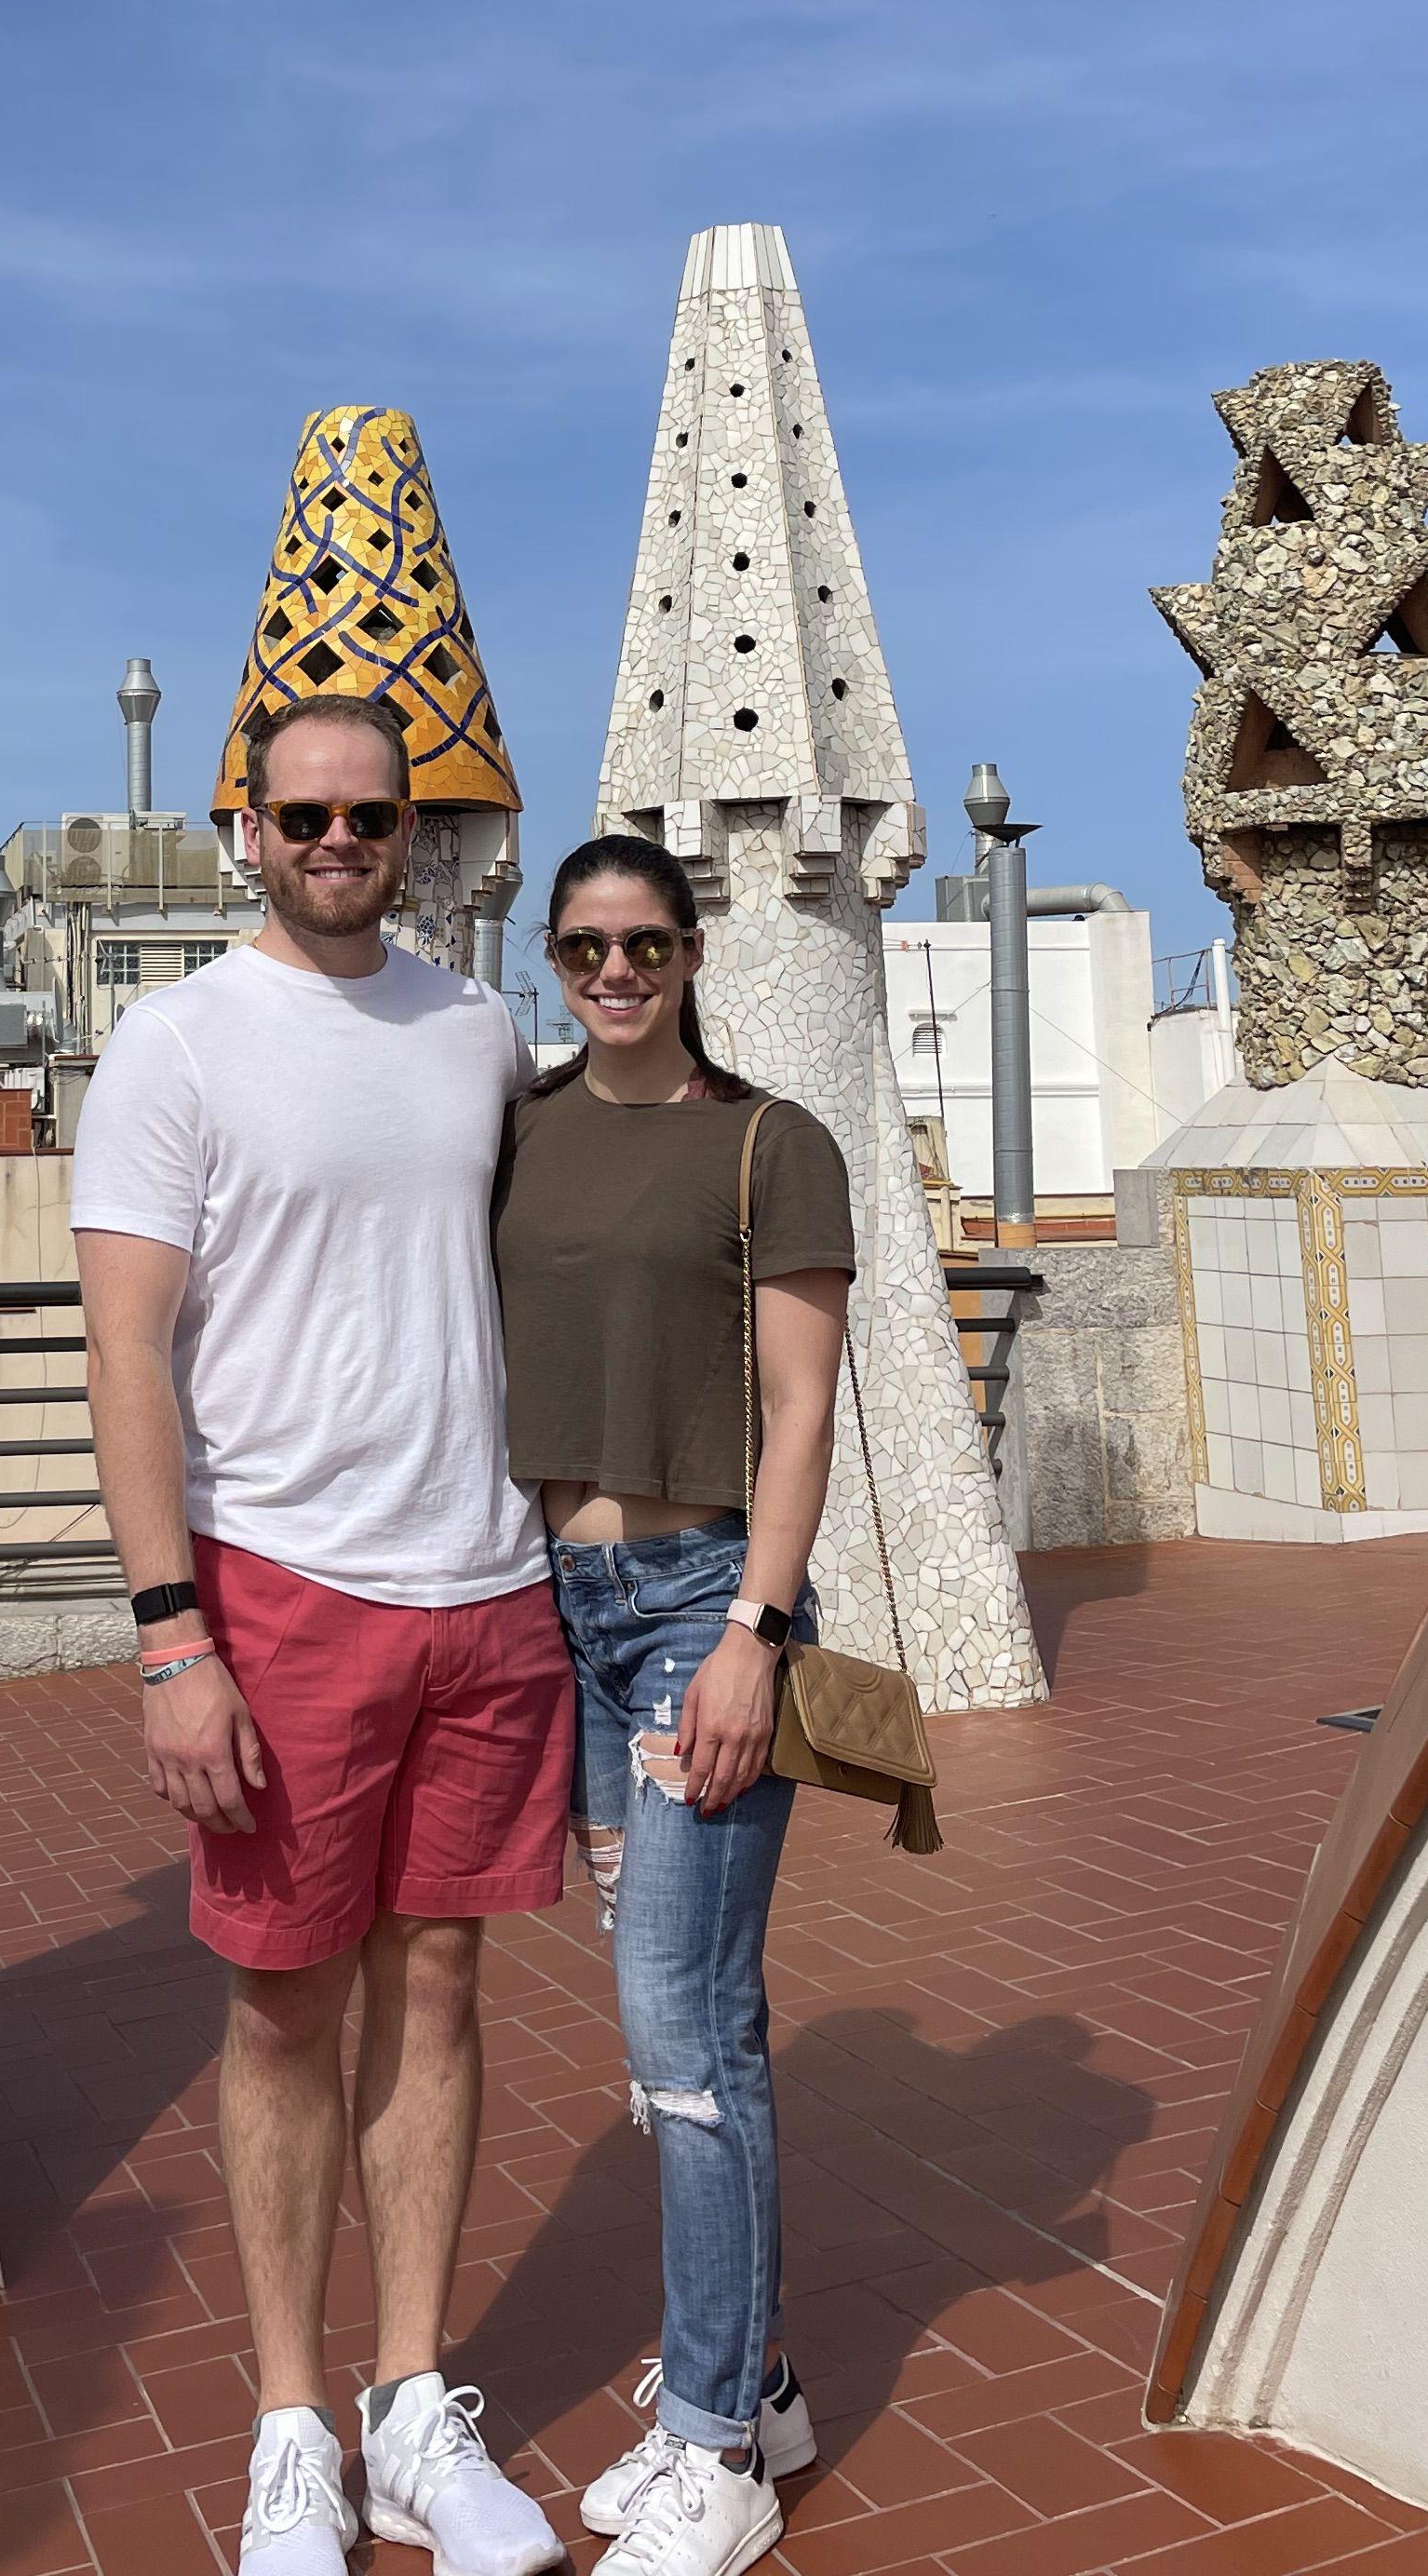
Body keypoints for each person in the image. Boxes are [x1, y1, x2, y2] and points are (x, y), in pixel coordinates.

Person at [72, 690, 569, 2576]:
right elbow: (126, 1349)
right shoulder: (176, 1043)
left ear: (413, 834)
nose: (341, 840)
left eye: (372, 814)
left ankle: (411, 2406)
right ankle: (292, 2420)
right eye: (306, 813)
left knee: (436, 1987)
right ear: (250, 828)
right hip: (276, 1589)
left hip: (482, 1581)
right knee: (285, 2002)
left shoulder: (475, 1030)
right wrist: (167, 1635)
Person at [488, 835, 853, 2576]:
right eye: (583, 946)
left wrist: (757, 1634)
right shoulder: (525, 1131)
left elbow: (799, 1410)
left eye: (642, 942)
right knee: (697, 2027)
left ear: (691, 950)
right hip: (567, 1606)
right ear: (550, 958)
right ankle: (761, 2379)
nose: (614, 970)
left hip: (705, 1606)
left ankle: (715, 2450)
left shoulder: (772, 1146)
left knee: (682, 2044)